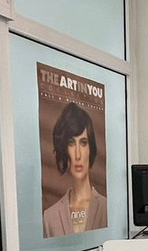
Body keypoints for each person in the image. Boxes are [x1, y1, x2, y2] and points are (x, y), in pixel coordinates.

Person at [43, 101, 108, 238]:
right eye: (71, 143)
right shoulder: (50, 217)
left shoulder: (106, 208)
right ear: (64, 149)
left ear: (90, 148)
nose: (78, 155)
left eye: (83, 143)